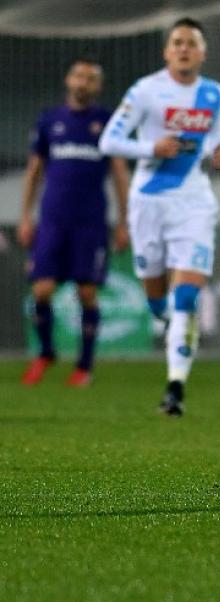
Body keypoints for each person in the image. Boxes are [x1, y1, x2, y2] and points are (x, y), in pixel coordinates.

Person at [99, 17, 220, 417]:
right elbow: (109, 141)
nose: (184, 48)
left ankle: (175, 388)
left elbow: (215, 138)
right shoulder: (146, 91)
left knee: (186, 295)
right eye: (177, 42)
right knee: (158, 303)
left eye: (191, 42)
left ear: (203, 52)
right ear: (166, 51)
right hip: (148, 204)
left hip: (193, 202)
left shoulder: (215, 94)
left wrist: (218, 151)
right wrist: (152, 148)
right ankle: (173, 322)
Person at [18, 56, 130, 387]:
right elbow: (34, 170)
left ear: (98, 86)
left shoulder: (108, 122)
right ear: (69, 80)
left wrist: (124, 221)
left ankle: (84, 366)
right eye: (79, 76)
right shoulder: (49, 120)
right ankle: (46, 352)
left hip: (90, 221)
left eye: (91, 78)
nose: (84, 82)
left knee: (87, 292)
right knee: (41, 289)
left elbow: (119, 173)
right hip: (52, 219)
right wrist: (26, 216)